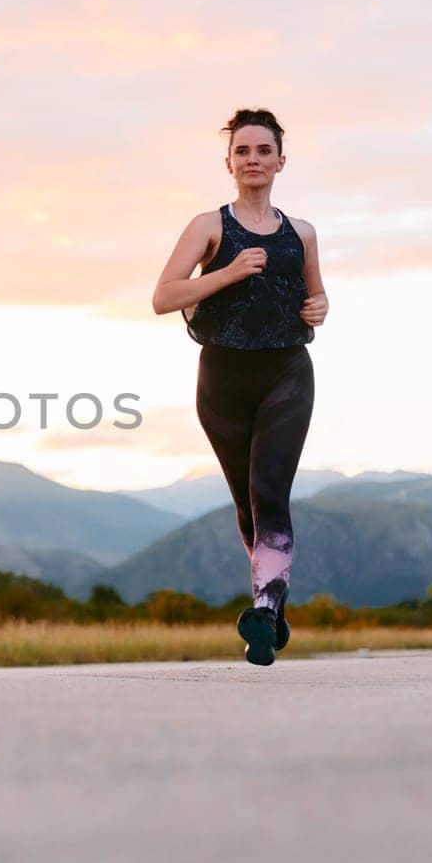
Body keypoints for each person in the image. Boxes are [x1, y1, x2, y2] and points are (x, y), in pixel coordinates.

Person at [150, 108, 329, 666]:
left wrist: (321, 307)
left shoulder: (302, 232)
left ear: (281, 161)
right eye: (243, 151)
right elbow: (164, 297)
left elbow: (315, 298)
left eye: (263, 151)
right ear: (229, 162)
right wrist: (226, 272)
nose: (253, 160)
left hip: (286, 372)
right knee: (248, 507)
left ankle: (263, 608)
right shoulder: (209, 226)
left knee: (270, 490)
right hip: (223, 378)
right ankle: (272, 601)